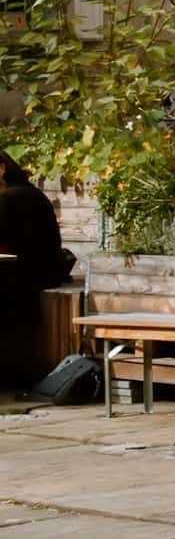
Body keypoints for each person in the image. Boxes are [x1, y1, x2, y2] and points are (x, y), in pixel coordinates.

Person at [0, 151, 68, 384]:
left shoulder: (14, 198)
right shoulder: (23, 194)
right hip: (32, 273)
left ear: (1, 170)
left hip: (27, 277)